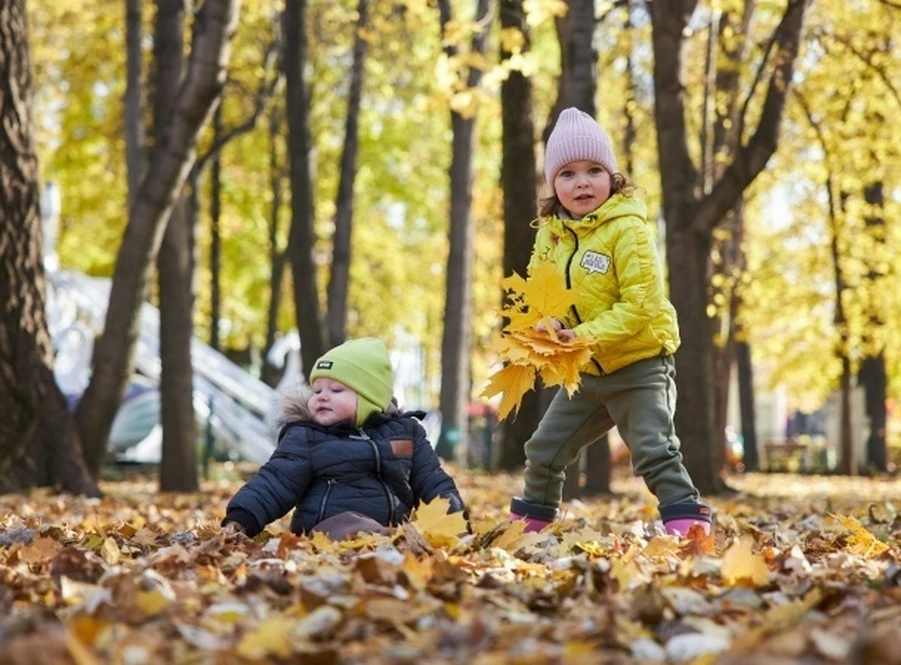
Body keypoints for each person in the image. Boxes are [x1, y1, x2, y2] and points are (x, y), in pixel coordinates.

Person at [508, 108, 712, 537]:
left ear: (613, 178)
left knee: (653, 450)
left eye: (594, 170)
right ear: (553, 185)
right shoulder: (551, 235)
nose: (582, 182)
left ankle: (690, 529)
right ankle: (530, 531)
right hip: (585, 370)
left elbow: (641, 304)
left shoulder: (627, 230)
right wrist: (547, 324)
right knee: (543, 450)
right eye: (567, 174)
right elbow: (544, 294)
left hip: (638, 365)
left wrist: (581, 334)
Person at [222, 337, 466, 540]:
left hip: (392, 534)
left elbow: (434, 482)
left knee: (411, 535)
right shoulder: (308, 436)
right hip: (326, 533)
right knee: (349, 524)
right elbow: (275, 481)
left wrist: (456, 524)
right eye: (317, 390)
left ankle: (392, 544)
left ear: (370, 397)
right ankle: (380, 541)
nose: (321, 397)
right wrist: (240, 519)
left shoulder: (407, 433)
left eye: (336, 390)